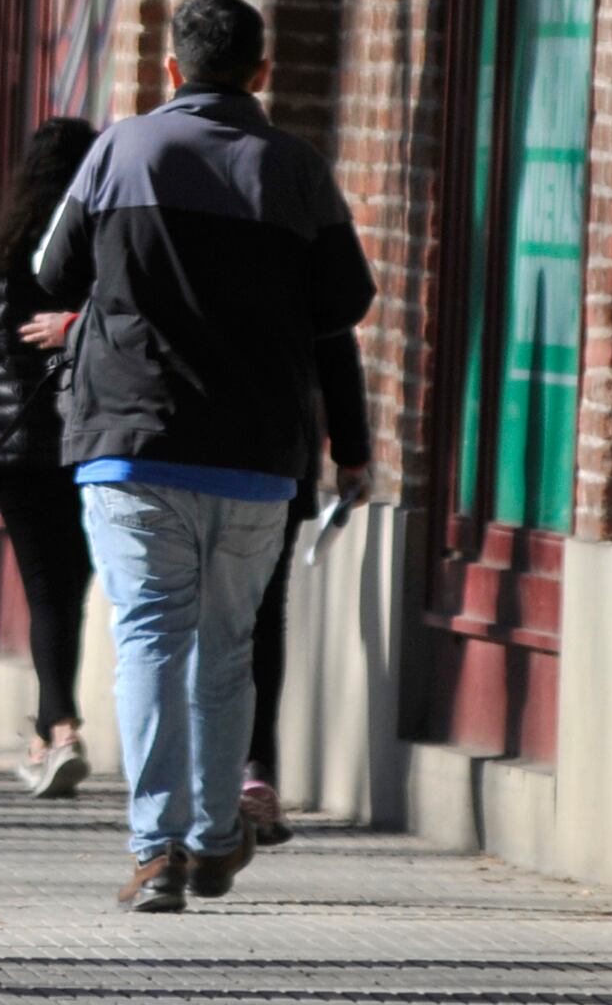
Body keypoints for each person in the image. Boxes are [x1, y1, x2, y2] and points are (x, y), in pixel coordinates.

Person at [27, 0, 375, 914]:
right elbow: (344, 300)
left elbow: (51, 272)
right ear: (261, 74)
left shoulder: (121, 149)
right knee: (226, 650)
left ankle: (156, 853)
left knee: (146, 639)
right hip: (258, 455)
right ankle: (216, 832)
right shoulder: (297, 169)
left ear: (171, 69)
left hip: (133, 446)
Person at [0, 115, 99, 800]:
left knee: (44, 590)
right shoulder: (103, 254)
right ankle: (52, 727)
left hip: (14, 448)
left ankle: (55, 729)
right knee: (73, 589)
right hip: (90, 444)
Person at [241, 321, 371, 845]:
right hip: (268, 446)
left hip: (171, 448)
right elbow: (334, 332)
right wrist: (352, 452)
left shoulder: (143, 233)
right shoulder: (297, 234)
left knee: (184, 618)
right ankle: (250, 771)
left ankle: (219, 779)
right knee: (258, 613)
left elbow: (333, 330)